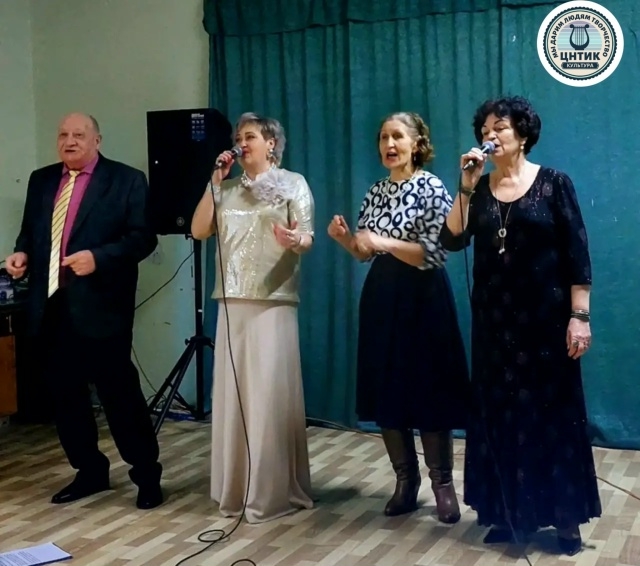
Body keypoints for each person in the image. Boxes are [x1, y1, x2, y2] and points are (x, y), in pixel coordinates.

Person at [439, 95, 601, 556]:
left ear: (523, 134)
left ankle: (565, 518)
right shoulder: (479, 189)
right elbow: (452, 238)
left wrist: (579, 316)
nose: (490, 136)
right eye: (484, 130)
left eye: (500, 127)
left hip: (546, 323)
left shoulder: (554, 183)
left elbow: (577, 254)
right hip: (495, 326)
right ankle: (510, 515)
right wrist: (465, 186)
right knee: (500, 417)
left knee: (553, 417)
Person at [4, 113, 163, 509]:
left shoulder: (126, 180)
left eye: (79, 134)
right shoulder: (42, 180)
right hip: (50, 307)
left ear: (97, 140)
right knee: (66, 397)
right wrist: (22, 254)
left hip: (102, 308)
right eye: (63, 134)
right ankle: (89, 471)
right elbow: (30, 232)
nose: (69, 141)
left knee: (119, 396)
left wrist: (99, 258)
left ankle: (146, 474)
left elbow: (143, 238)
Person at [327, 112, 469, 523]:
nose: (389, 144)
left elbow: (435, 252)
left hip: (424, 297)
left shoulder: (431, 186)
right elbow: (364, 251)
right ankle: (406, 482)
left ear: (416, 143)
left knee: (430, 390)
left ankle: (442, 485)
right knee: (388, 391)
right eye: (383, 137)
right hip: (382, 298)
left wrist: (382, 241)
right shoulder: (375, 191)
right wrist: (345, 240)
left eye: (397, 137)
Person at [191, 112, 315, 523]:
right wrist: (214, 181)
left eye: (250, 136)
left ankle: (270, 489)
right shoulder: (226, 188)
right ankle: (236, 486)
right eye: (238, 137)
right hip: (231, 300)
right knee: (235, 396)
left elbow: (307, 236)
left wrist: (295, 239)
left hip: (274, 299)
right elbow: (199, 230)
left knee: (266, 394)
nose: (241, 143)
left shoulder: (293, 183)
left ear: (271, 143)